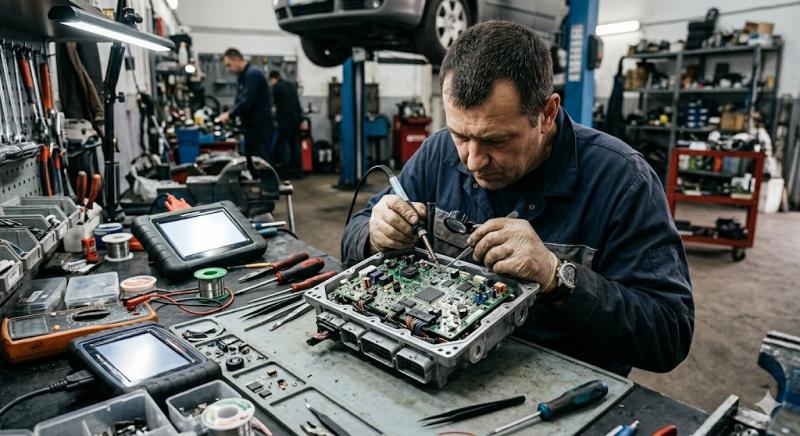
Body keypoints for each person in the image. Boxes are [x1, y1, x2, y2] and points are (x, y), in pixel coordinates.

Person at [341, 21, 694, 376]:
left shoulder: (623, 181)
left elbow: (669, 335)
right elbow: (353, 234)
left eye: (495, 140)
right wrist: (373, 237)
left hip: (560, 390)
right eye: (460, 135)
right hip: (440, 367)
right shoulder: (437, 155)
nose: (473, 160)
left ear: (547, 114)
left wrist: (558, 277)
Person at [216, 48, 273, 175]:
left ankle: (267, 191)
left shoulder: (253, 74)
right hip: (251, 126)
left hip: (259, 126)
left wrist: (229, 115)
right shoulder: (243, 76)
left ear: (237, 59)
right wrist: (231, 113)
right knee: (253, 162)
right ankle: (257, 188)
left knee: (260, 162)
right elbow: (239, 101)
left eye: (229, 65)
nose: (228, 69)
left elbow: (247, 101)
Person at [269, 70, 303, 178]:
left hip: (285, 121)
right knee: (296, 146)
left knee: (285, 146)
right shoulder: (290, 85)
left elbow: (272, 105)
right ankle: (298, 172)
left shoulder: (276, 88)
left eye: (271, 81)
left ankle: (286, 173)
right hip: (296, 120)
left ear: (274, 78)